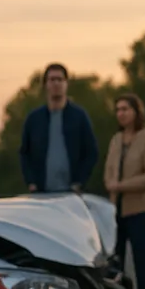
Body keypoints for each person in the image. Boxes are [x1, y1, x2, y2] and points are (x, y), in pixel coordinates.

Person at [103, 93, 145, 289]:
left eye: (125, 109)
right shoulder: (116, 140)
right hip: (115, 212)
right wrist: (111, 185)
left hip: (140, 211)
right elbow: (108, 171)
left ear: (136, 112)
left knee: (141, 260)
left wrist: (120, 186)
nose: (121, 113)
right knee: (114, 262)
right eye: (118, 109)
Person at [19, 63, 99, 193]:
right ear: (45, 84)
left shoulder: (79, 117)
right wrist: (31, 181)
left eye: (60, 79)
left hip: (71, 193)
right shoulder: (34, 119)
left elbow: (91, 152)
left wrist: (79, 181)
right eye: (52, 80)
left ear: (66, 84)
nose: (56, 83)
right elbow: (24, 153)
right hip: (41, 192)